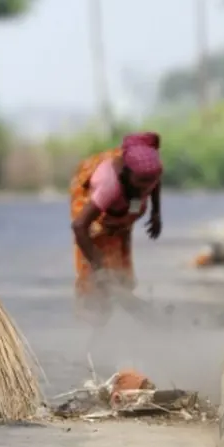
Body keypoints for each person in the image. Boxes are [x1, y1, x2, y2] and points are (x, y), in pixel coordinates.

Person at [70, 133, 163, 314]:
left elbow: (154, 183)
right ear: (126, 174)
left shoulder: (150, 172)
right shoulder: (109, 186)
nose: (145, 188)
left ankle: (124, 302)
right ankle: (97, 314)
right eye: (141, 183)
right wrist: (98, 266)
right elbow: (79, 227)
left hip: (121, 213)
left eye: (149, 183)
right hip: (95, 215)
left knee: (120, 274)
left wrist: (156, 213)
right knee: (95, 280)